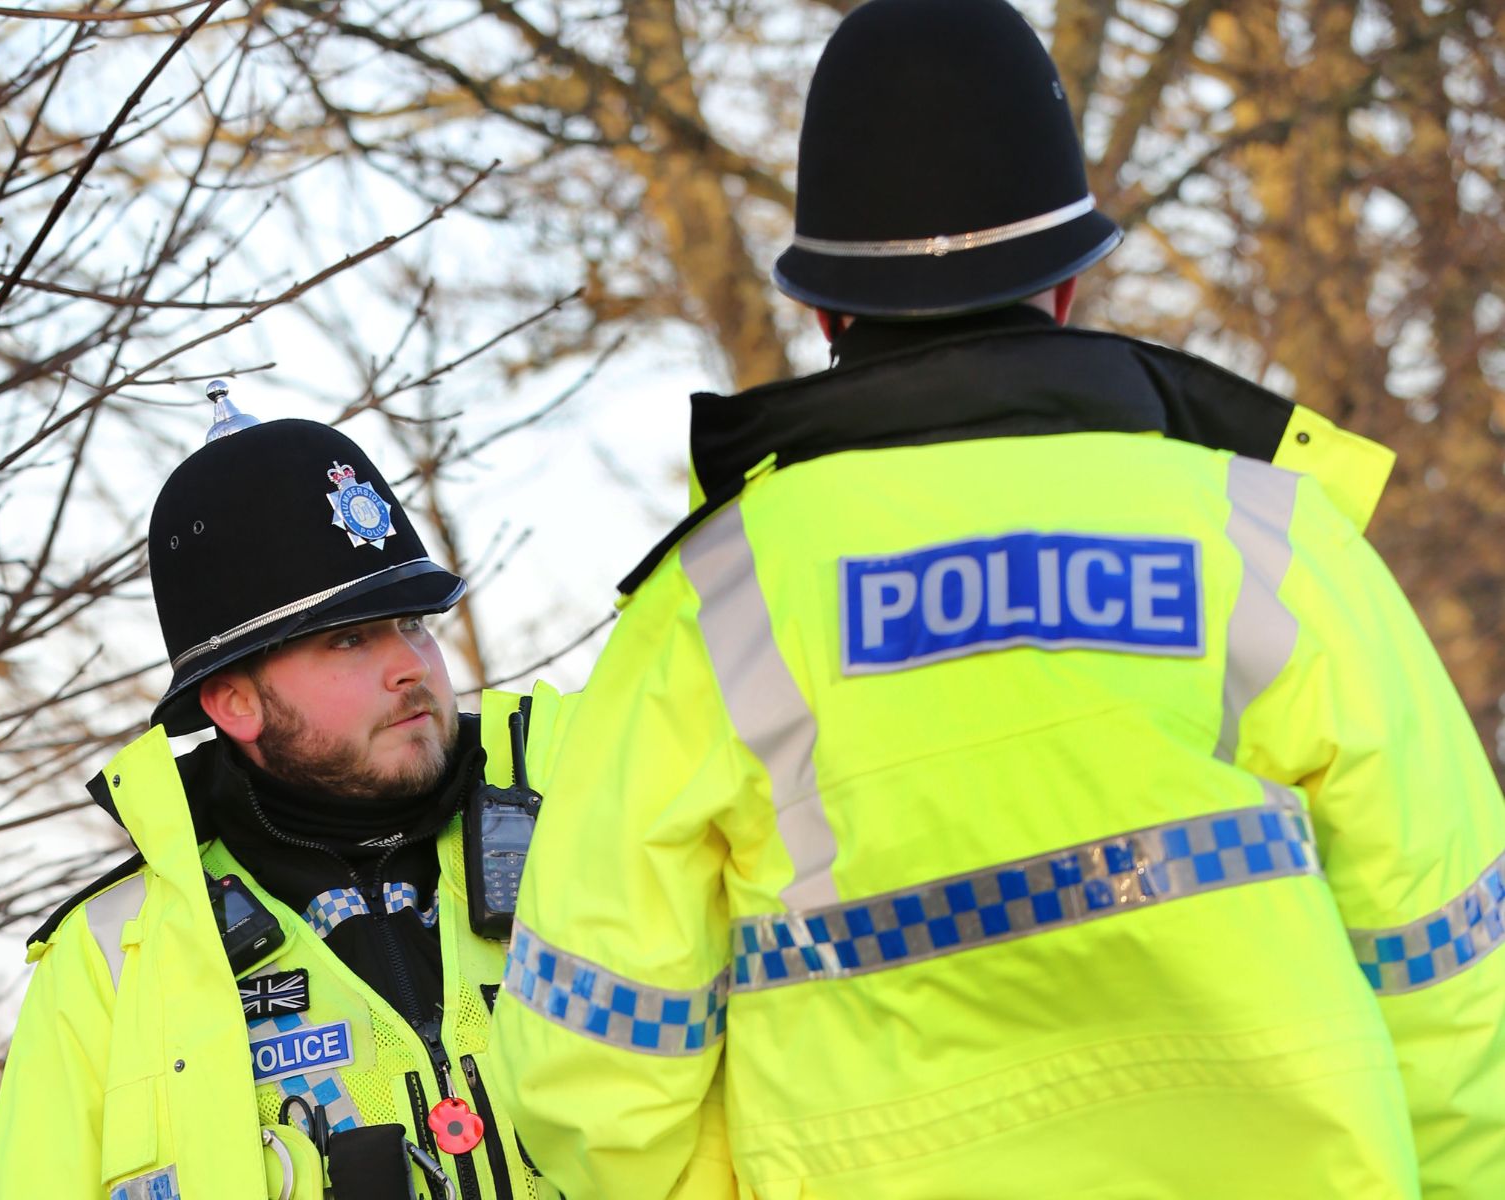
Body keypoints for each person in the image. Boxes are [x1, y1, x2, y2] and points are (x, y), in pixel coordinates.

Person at [488, 1, 1505, 1196]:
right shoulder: (1268, 538)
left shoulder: (716, 600)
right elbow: (1456, 976)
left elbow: (591, 1069)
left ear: (826, 312)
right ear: (1067, 286)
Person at [0, 387, 570, 1199]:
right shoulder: (110, 960)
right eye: (352, 638)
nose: (411, 666)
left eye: (413, 623)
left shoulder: (582, 841)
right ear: (234, 703)